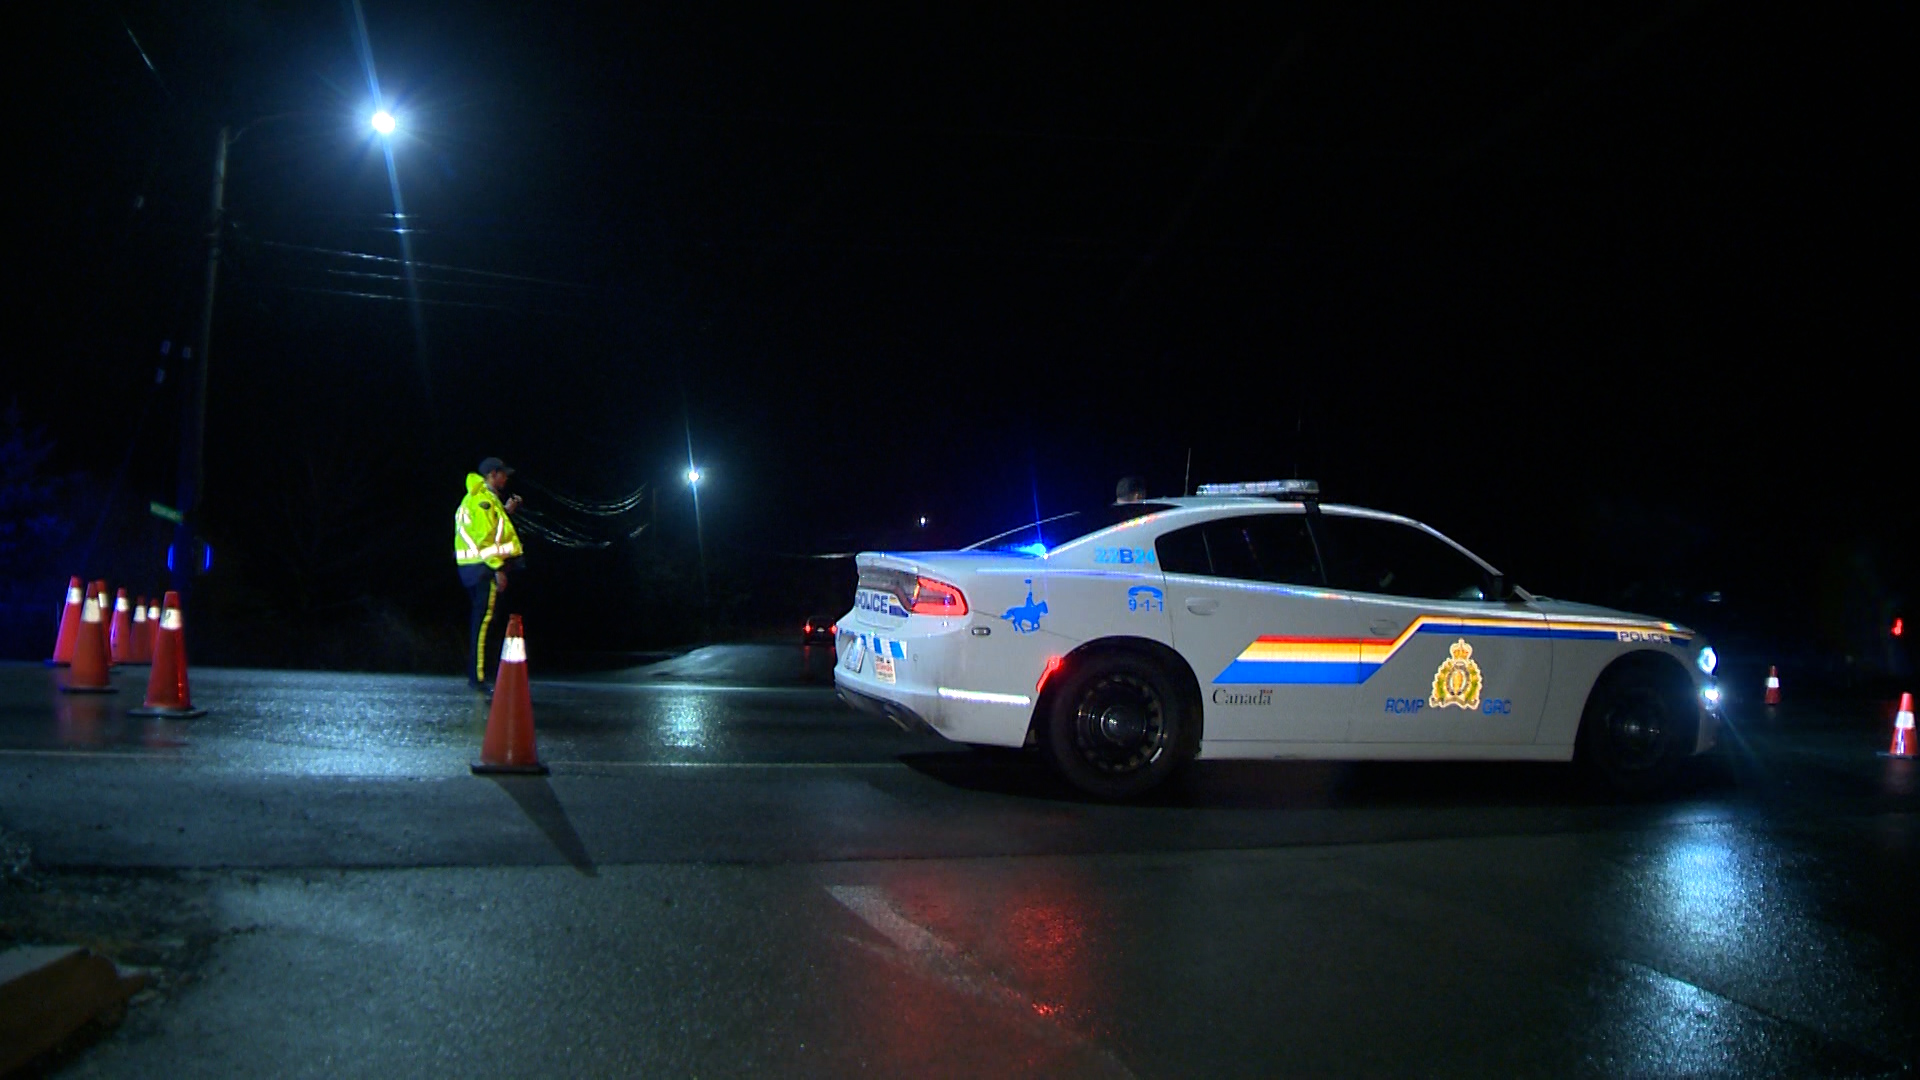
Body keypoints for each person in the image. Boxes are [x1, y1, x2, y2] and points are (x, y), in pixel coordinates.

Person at [454, 456, 525, 691]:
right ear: (492, 474)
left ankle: (478, 674)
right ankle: (478, 677)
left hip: (473, 568)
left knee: (482, 620)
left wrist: (506, 512)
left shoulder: (478, 499)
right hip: (482, 568)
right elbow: (485, 540)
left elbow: (490, 530)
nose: (506, 478)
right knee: (483, 622)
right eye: (503, 474)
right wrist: (497, 569)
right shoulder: (483, 501)